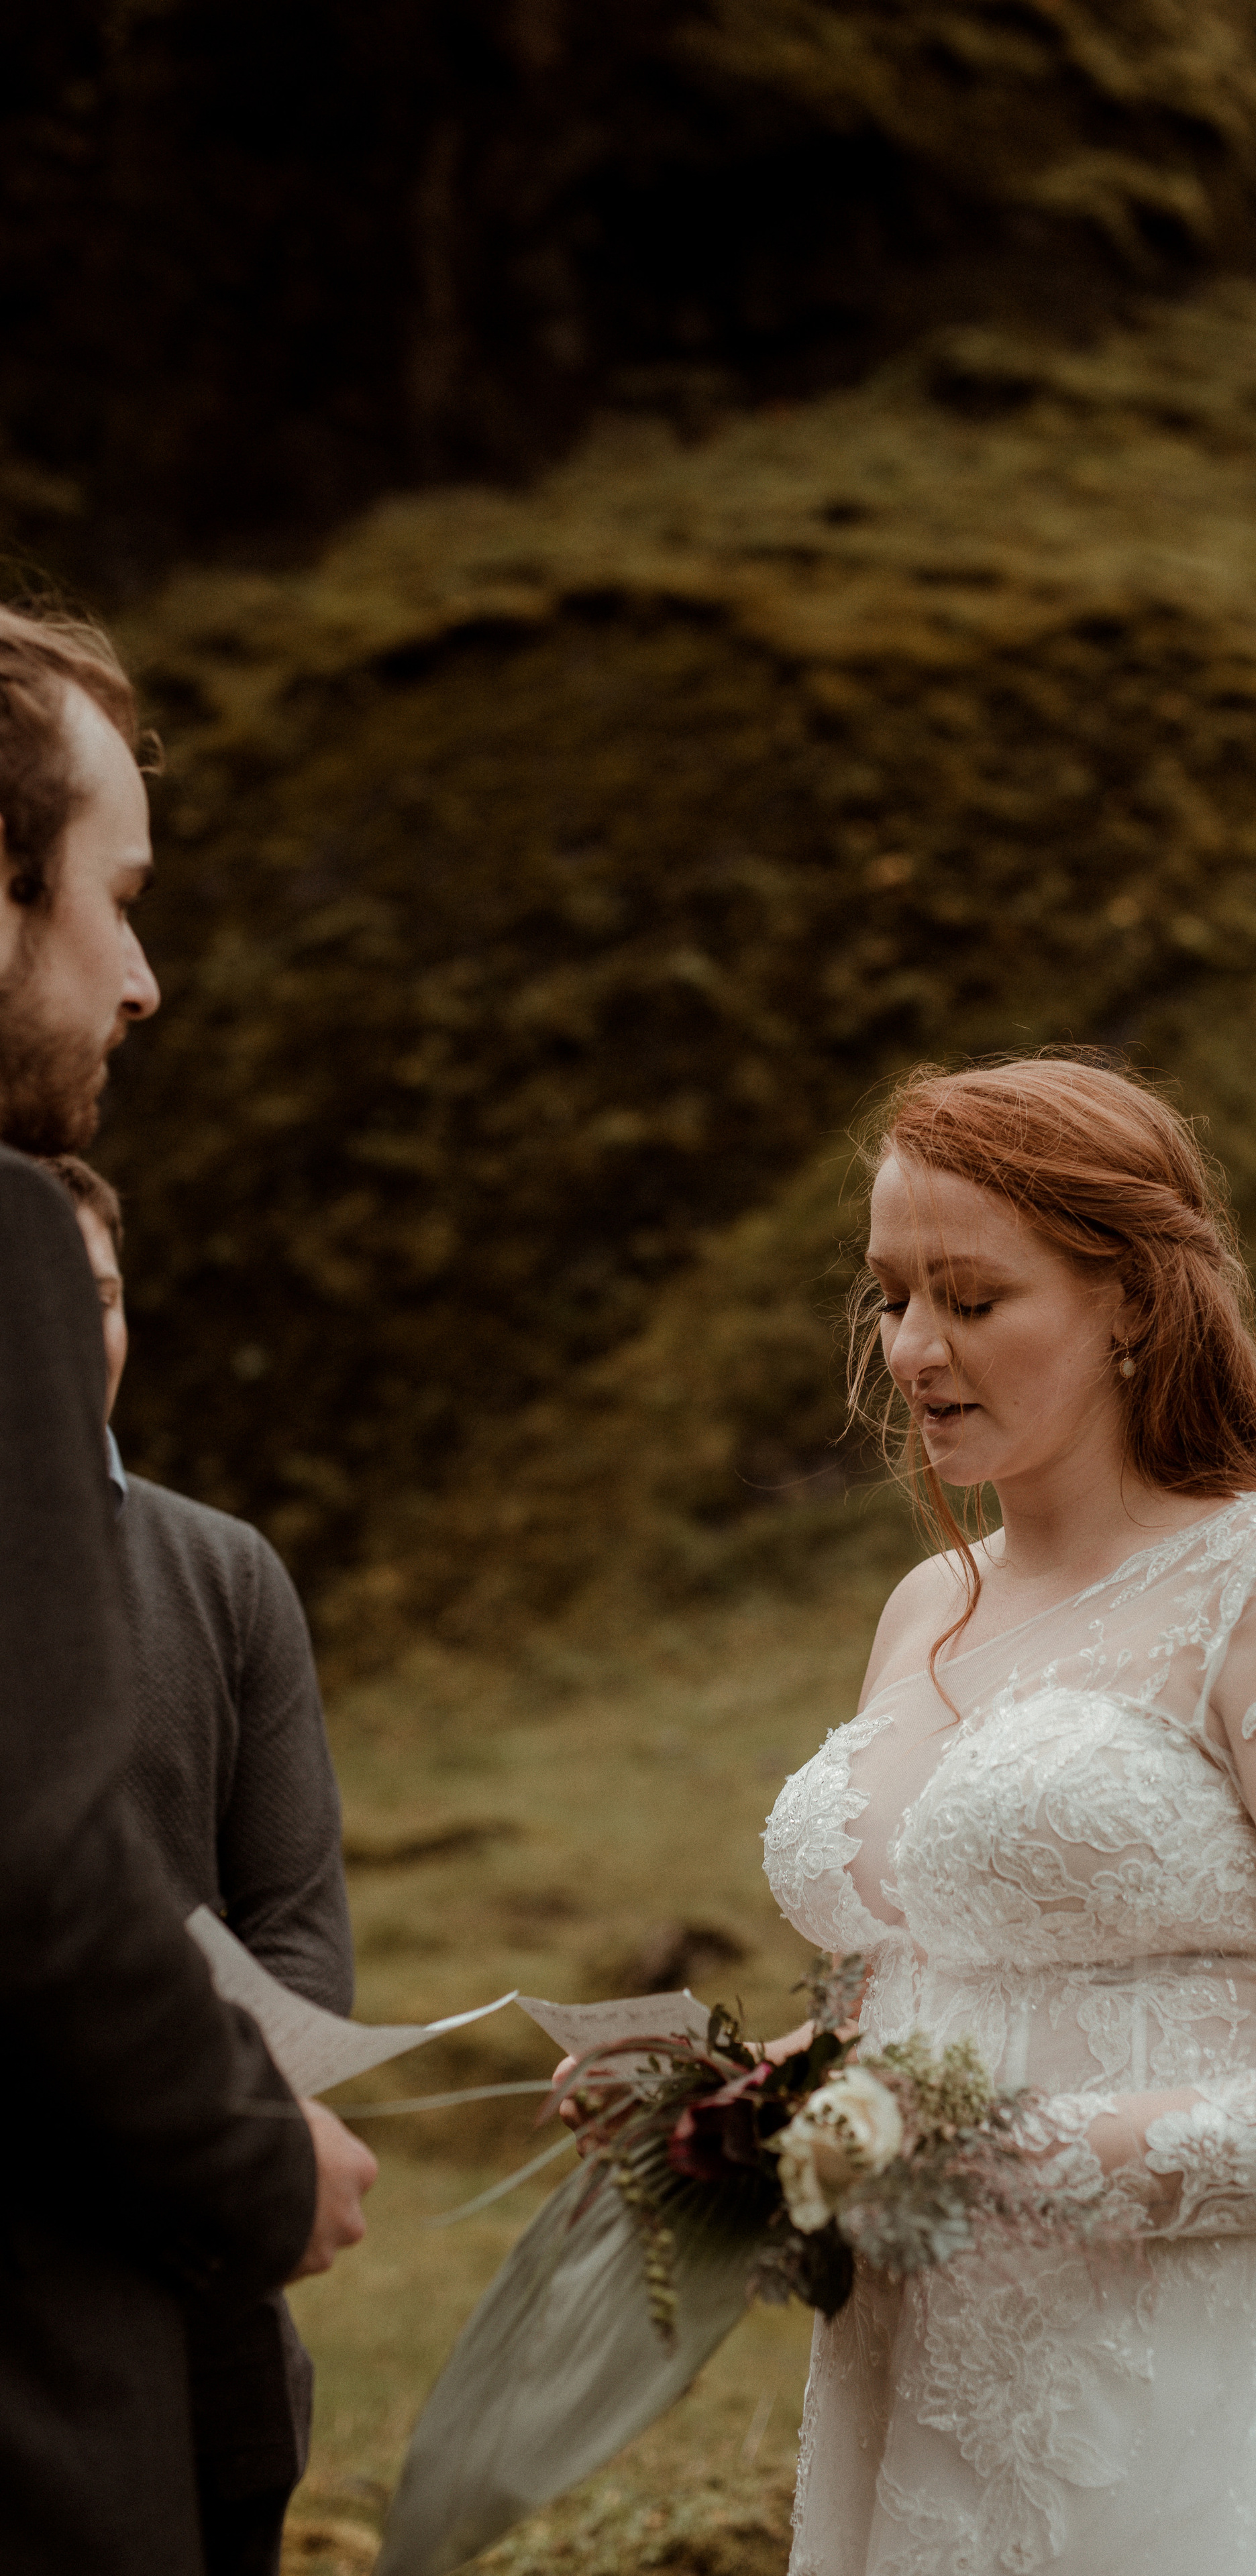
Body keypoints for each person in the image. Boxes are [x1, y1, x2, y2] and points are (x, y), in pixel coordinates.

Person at [757, 1055, 1256, 2576]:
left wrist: (994, 2158)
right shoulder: (922, 1608)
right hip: (916, 2400)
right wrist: (745, 2109)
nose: (910, 1348)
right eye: (887, 1298)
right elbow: (907, 1990)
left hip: (1208, 2407)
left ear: (1129, 1301)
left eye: (969, 1299)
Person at [0, 600, 377, 2576]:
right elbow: (39, 1868)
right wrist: (256, 2164)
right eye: (113, 895)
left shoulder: (228, 1578)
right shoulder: (3, 1249)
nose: (138, 978)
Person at [44, 1152, 355, 2576]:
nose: (72, 1334)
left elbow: (297, 1924)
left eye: (98, 1298)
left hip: (217, 2300)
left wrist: (234, 2136)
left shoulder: (222, 1573)